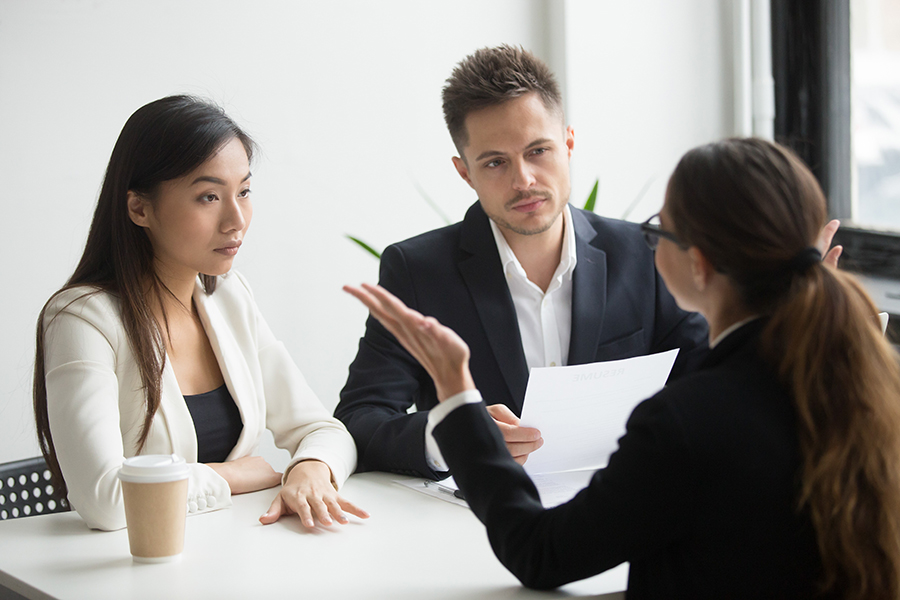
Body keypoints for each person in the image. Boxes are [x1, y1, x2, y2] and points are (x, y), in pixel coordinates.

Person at [345, 137, 900, 598]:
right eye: (495, 160)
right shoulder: (867, 383)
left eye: (661, 229)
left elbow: (540, 553)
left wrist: (456, 392)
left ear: (699, 264)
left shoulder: (685, 422)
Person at [335, 45, 710, 479]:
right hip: (478, 523)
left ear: (568, 144)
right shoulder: (417, 271)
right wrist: (454, 436)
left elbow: (710, 380)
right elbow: (360, 417)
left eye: (538, 151)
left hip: (626, 508)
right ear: (465, 173)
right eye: (495, 162)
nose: (524, 180)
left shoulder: (645, 254)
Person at [34, 95, 368, 532]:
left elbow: (323, 430)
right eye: (209, 196)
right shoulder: (82, 319)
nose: (236, 220)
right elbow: (106, 500)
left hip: (231, 553)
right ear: (139, 208)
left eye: (244, 192)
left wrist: (310, 468)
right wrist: (228, 477)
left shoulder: (229, 298)